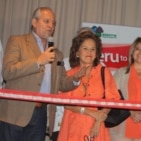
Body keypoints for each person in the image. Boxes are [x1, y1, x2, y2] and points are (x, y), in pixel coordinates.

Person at [0, 7, 86, 141]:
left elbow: (62, 83)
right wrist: (37, 62)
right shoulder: (17, 41)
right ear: (34, 22)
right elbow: (7, 71)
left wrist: (75, 78)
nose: (51, 26)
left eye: (53, 23)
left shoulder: (57, 55)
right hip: (15, 113)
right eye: (46, 21)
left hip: (41, 114)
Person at [57, 31, 120, 141]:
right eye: (85, 48)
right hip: (73, 128)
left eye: (93, 49)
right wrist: (91, 113)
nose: (89, 52)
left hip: (96, 129)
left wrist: (98, 121)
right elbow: (66, 104)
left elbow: (112, 100)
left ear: (96, 53)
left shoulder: (104, 72)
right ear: (77, 52)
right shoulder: (70, 75)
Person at [51, 26, 94, 141]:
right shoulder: (62, 63)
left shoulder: (102, 68)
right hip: (63, 122)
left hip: (89, 124)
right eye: (82, 38)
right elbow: (58, 90)